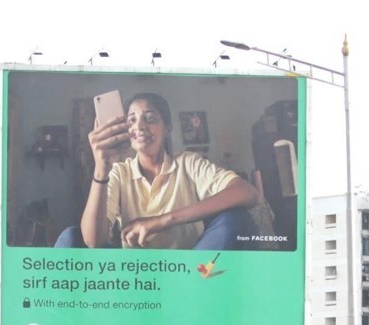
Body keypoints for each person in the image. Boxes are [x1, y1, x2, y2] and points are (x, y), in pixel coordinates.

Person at [55, 91, 261, 250]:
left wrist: (161, 221)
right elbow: (93, 241)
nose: (140, 126)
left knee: (235, 219)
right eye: (132, 120)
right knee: (70, 237)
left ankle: (193, 292)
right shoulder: (119, 172)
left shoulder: (188, 163)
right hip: (137, 278)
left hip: (188, 272)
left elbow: (248, 193)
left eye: (150, 118)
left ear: (168, 127)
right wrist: (101, 168)